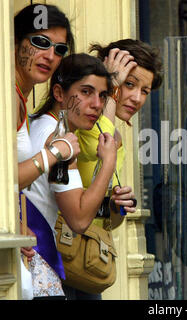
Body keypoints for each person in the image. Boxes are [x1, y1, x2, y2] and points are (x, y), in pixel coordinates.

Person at [60, 39, 163, 299]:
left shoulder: (113, 133)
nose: (137, 98)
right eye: (129, 84)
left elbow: (102, 216)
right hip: (60, 255)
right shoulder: (86, 124)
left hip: (88, 261)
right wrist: (107, 83)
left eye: (145, 90)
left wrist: (117, 205)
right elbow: (98, 146)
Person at [14, 3, 80, 299]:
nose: (50, 56)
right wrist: (54, 152)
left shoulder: (17, 98)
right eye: (40, 42)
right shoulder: (8, 97)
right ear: (14, 41)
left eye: (60, 49)